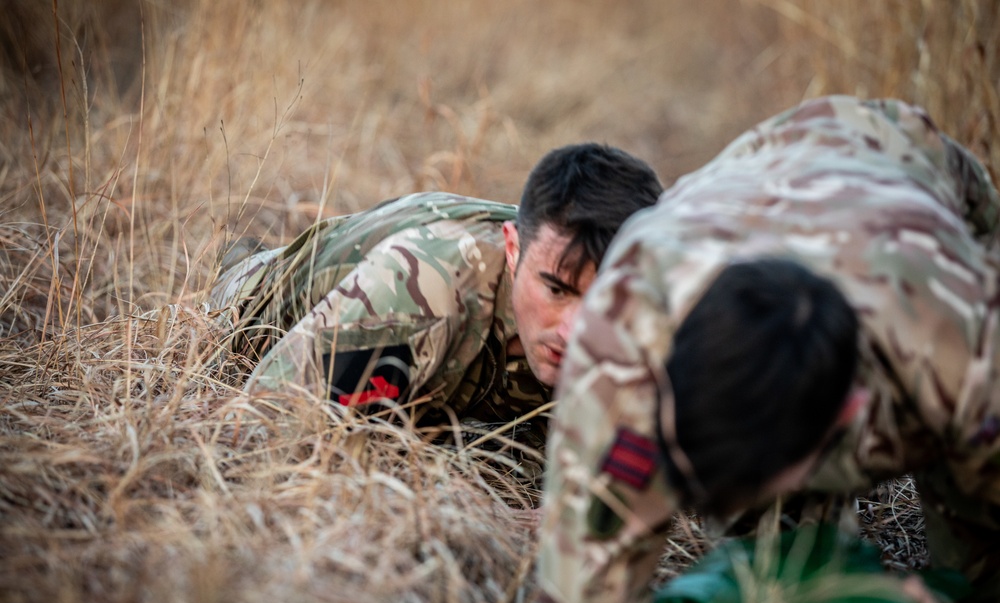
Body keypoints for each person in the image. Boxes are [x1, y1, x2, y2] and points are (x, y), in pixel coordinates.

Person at [536, 96, 1000, 603]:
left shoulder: (964, 345)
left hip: (885, 154)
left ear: (849, 416)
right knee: (769, 590)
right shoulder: (623, 338)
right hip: (751, 178)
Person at [208, 143, 663, 432]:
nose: (575, 330)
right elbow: (255, 426)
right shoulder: (419, 292)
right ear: (513, 248)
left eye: (605, 301)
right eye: (556, 291)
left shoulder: (653, 311)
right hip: (255, 298)